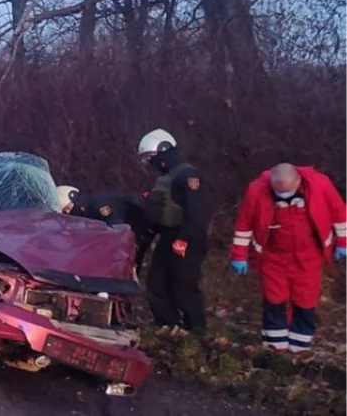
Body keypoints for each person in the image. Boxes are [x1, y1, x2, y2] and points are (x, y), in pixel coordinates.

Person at [229, 163, 347, 354]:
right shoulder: (257, 189)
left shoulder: (319, 185)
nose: (283, 196)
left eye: (288, 191)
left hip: (309, 255)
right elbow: (245, 223)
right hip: (272, 256)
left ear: (298, 181)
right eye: (279, 192)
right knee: (274, 300)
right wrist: (239, 255)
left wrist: (343, 241)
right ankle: (275, 348)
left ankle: (300, 348)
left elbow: (339, 211)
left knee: (306, 300)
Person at [137, 128, 212, 337]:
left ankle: (195, 329)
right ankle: (167, 323)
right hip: (168, 235)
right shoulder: (164, 177)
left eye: (150, 157)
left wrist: (184, 239)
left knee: (184, 284)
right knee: (156, 282)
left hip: (188, 237)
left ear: (163, 151)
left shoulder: (188, 175)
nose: (149, 163)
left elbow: (197, 212)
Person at [57, 185, 155, 274]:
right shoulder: (89, 208)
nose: (68, 213)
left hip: (139, 229)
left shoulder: (100, 206)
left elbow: (117, 232)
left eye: (67, 209)